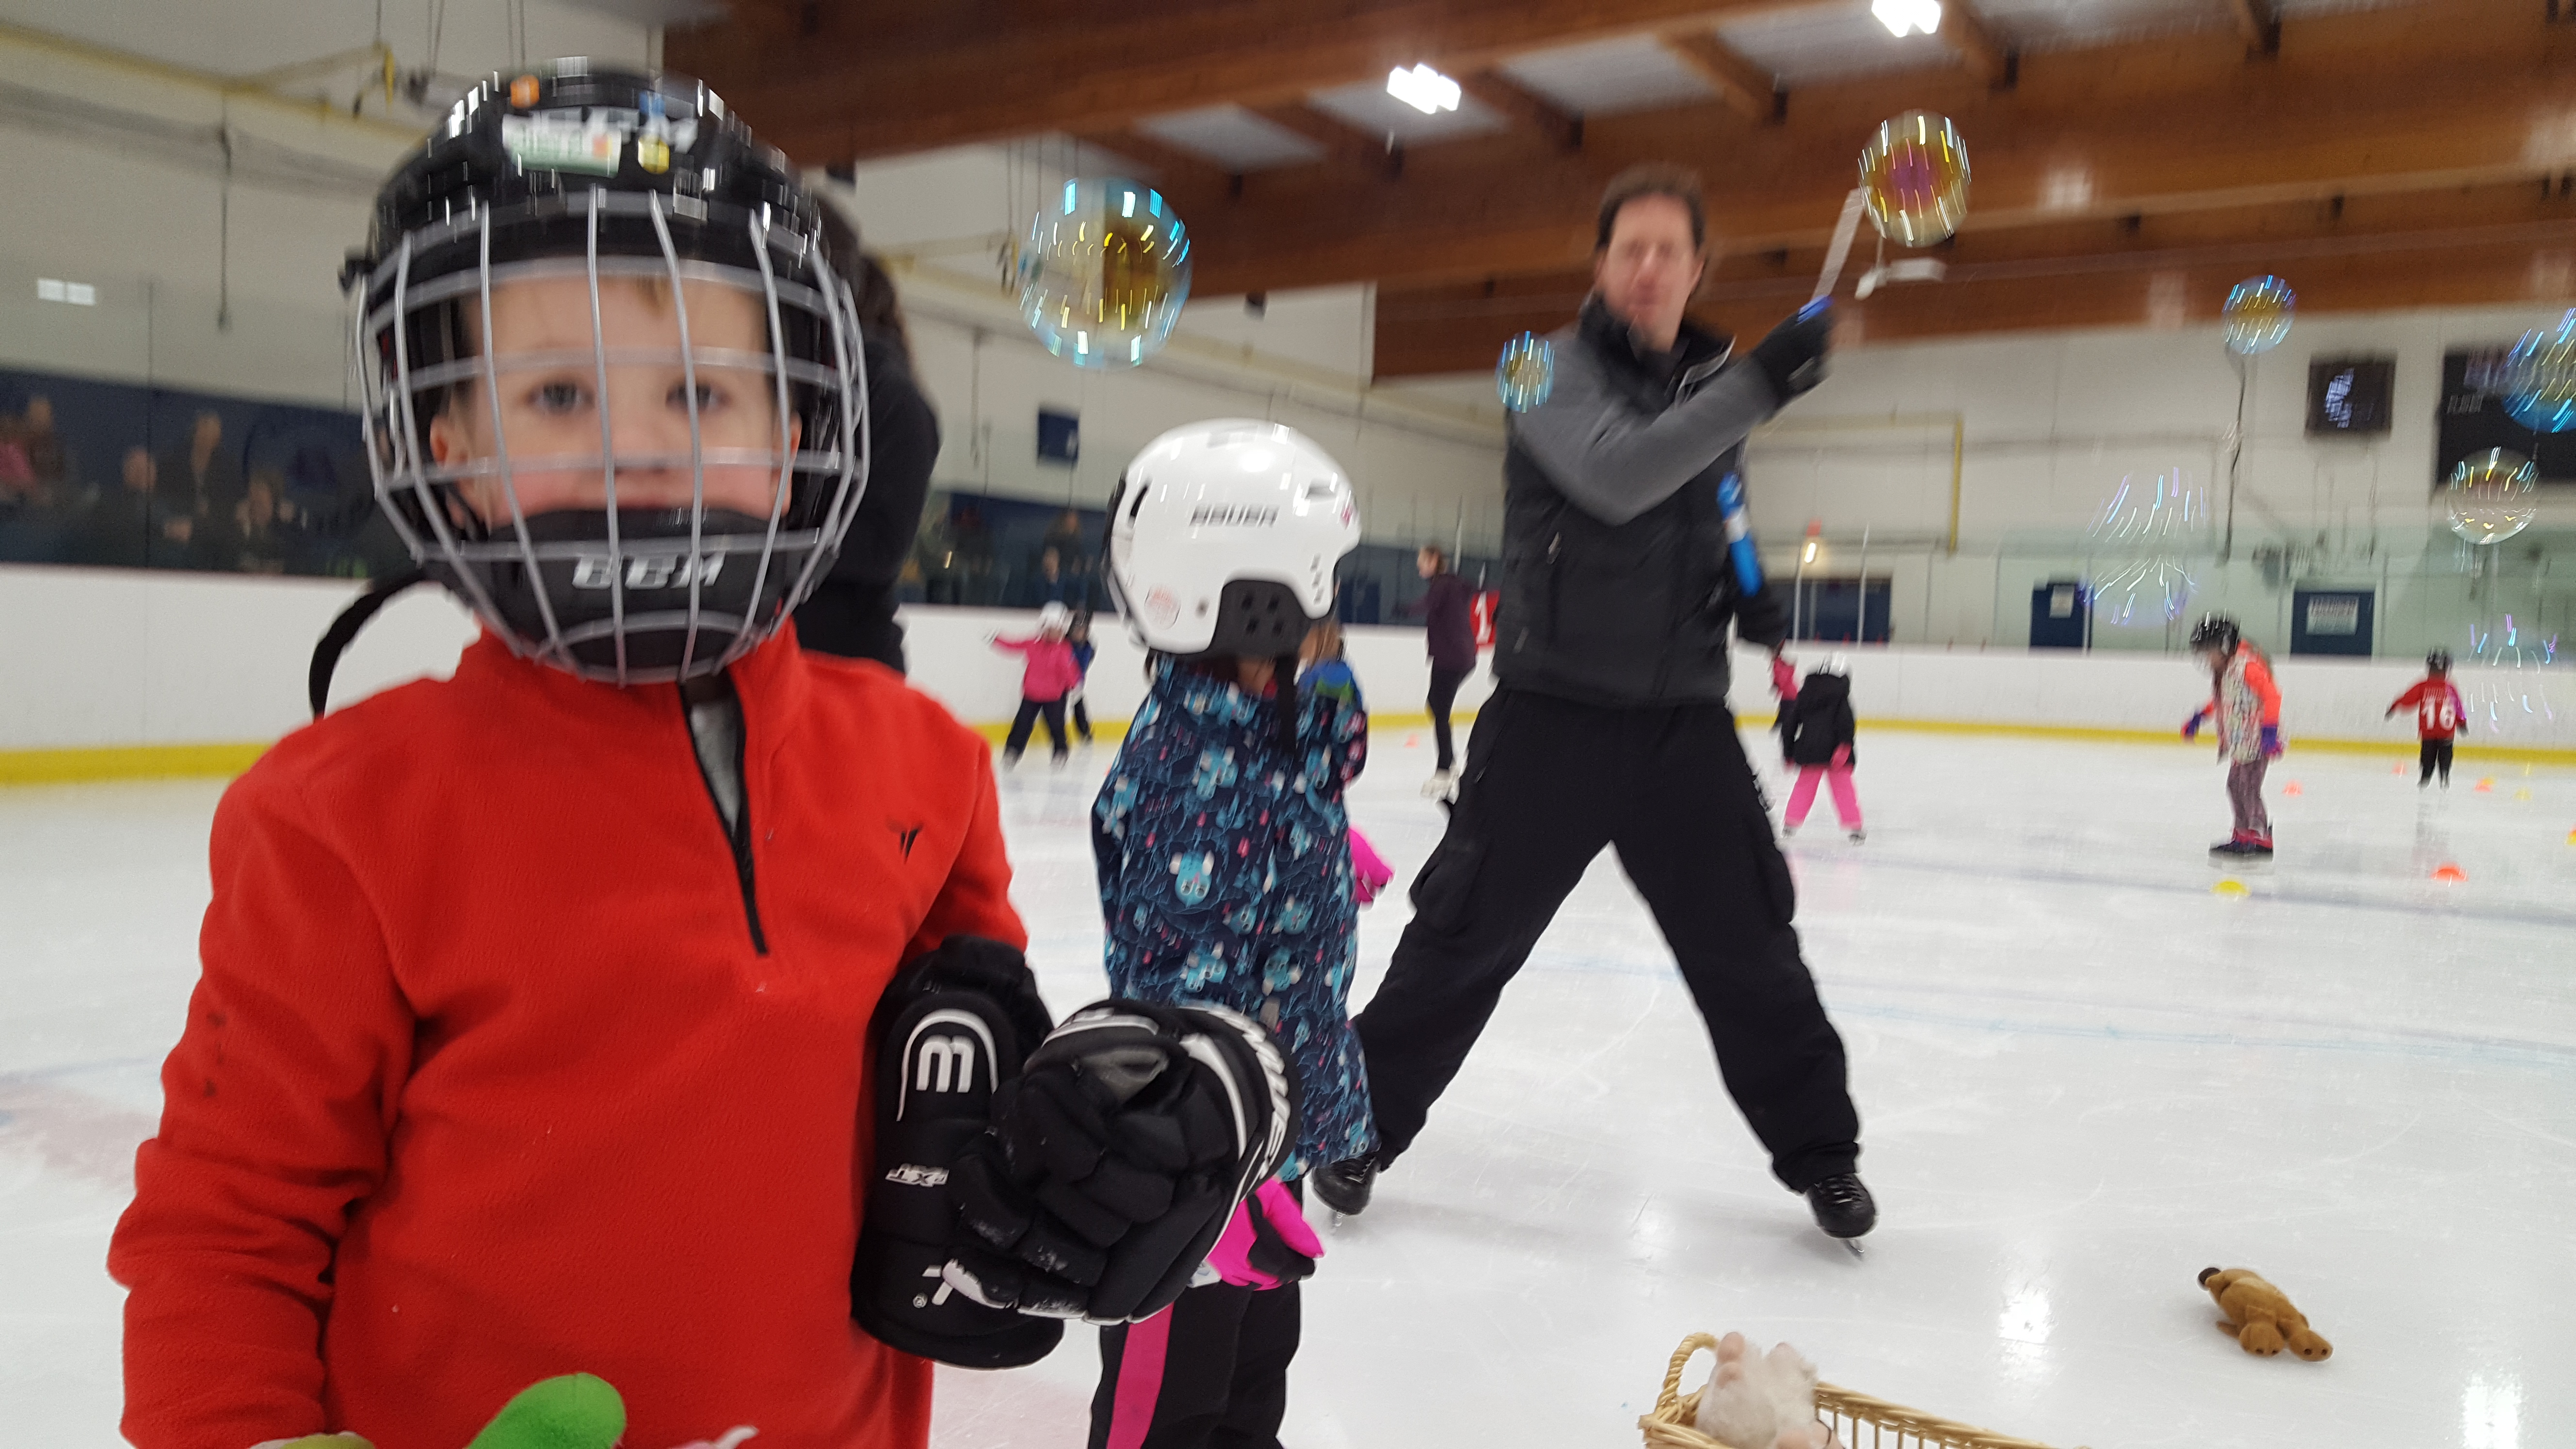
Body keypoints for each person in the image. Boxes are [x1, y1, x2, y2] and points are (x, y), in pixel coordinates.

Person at [107, 66, 1027, 1449]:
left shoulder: (927, 765)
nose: (634, 452)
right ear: (451, 447)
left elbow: (973, 1076)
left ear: (798, 430)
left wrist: (1121, 1108)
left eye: (703, 393)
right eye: (553, 394)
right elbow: (229, 1220)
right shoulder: (343, 816)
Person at [1319, 163, 1873, 1246]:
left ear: (1696, 269)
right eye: (1632, 249)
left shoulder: (1709, 383)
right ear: (1601, 266)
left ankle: (1824, 1157)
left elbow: (1720, 503)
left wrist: (1751, 594)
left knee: (1752, 947)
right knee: (1462, 938)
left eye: (1671, 250)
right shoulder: (1541, 372)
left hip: (1680, 722)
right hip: (1550, 716)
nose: (1651, 268)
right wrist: (1759, 379)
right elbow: (1618, 478)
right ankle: (1353, 1126)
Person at [1089, 418, 1371, 1449]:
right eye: (1323, 592)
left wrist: (1331, 855)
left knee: (1254, 1383)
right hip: (1195, 1171)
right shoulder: (1187, 785)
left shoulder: (1254, 738)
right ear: (1254, 599)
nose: (1334, 617)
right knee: (1169, 1407)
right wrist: (1218, 1181)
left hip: (1264, 1140)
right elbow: (1179, 991)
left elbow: (1289, 812)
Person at [793, 204, 943, 673]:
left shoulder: (891, 397)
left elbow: (881, 546)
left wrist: (765, 543)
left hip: (845, 664)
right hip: (773, 662)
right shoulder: (790, 379)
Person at [2182, 614, 2284, 858]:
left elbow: (2272, 696)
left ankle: (2261, 837)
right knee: (2235, 786)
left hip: (2257, 740)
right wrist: (2200, 716)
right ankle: (2243, 834)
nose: (2206, 658)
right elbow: (2226, 700)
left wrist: (2269, 731)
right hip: (2241, 742)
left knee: (2249, 787)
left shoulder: (2247, 666)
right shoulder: (2227, 670)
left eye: (2209, 652)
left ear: (2225, 647)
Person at [1405, 544, 1477, 797]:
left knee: (1439, 709)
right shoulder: (1454, 583)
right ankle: (1451, 760)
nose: (1419, 565)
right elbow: (1472, 589)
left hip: (1450, 658)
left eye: (1422, 560)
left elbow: (1429, 603)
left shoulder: (1441, 584)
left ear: (1434, 560)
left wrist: (1406, 609)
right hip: (1464, 657)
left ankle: (1444, 770)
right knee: (1436, 705)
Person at [1776, 655, 1863, 842]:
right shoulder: (1841, 697)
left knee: (1804, 788)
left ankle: (1790, 824)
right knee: (1844, 789)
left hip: (1810, 751)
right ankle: (1854, 827)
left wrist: (1789, 752)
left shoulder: (1805, 695)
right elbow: (1846, 724)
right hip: (1836, 754)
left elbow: (1789, 726)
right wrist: (1845, 746)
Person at [992, 600, 1081, 769]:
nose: (1053, 633)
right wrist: (997, 640)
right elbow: (1014, 645)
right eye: (1049, 629)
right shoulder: (1033, 644)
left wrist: (1075, 685)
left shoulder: (1064, 649)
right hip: (1031, 694)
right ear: (1043, 628)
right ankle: (1013, 751)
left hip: (1054, 696)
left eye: (1057, 629)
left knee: (1056, 726)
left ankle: (1061, 752)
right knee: (1022, 724)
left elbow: (1069, 670)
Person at [2387, 647, 2465, 789]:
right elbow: (2458, 707)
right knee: (2445, 756)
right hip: (2446, 733)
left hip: (2428, 733)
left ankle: (2425, 778)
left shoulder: (2423, 686)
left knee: (2427, 758)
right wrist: (2462, 723)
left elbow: (2408, 699)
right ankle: (2444, 776)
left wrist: (2394, 706)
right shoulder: (2450, 688)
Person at [1066, 607, 1098, 744]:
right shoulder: (1065, 645)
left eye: (1082, 631)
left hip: (1076, 682)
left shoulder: (1088, 648)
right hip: (1060, 681)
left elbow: (1084, 667)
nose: (1079, 633)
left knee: (1079, 706)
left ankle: (1085, 733)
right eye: (1077, 630)